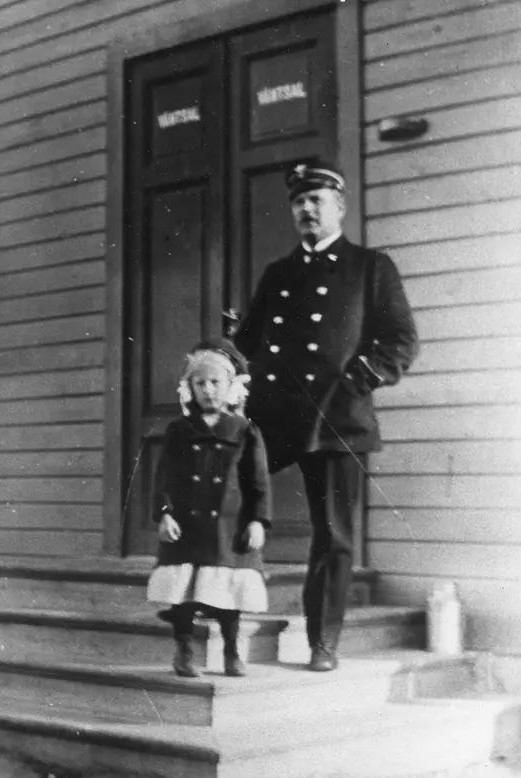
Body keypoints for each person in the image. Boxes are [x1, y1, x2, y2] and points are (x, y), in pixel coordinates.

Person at [233, 159, 419, 672]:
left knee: (333, 534)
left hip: (338, 419)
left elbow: (401, 341)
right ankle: (226, 631)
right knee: (234, 504)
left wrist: (356, 383)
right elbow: (246, 344)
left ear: (339, 207)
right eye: (299, 201)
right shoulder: (279, 274)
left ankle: (324, 642)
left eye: (317, 200)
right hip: (277, 418)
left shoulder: (370, 267)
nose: (307, 209)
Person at [147, 340, 271, 679]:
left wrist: (258, 520)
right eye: (199, 383)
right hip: (187, 525)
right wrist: (165, 512)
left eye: (215, 382)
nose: (208, 390)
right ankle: (184, 649)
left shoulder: (245, 431)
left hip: (228, 528)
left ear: (231, 387)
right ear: (189, 389)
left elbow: (257, 482)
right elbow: (164, 478)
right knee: (183, 593)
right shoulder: (179, 431)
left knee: (227, 594)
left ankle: (232, 650)